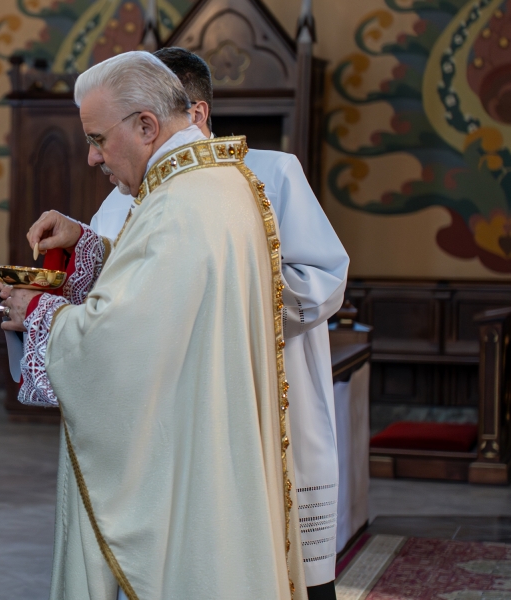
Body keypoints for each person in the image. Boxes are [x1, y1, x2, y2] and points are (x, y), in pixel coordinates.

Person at [0, 51, 306, 599]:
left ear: (147, 126)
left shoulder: (180, 205)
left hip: (185, 458)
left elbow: (117, 346)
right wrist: (89, 248)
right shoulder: (217, 182)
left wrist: (36, 312)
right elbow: (165, 292)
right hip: (206, 431)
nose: (91, 157)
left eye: (98, 139)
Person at [89, 48, 350, 600]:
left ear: (195, 112)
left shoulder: (269, 174)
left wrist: (223, 299)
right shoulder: (120, 198)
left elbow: (323, 278)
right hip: (165, 425)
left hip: (260, 402)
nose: (96, 157)